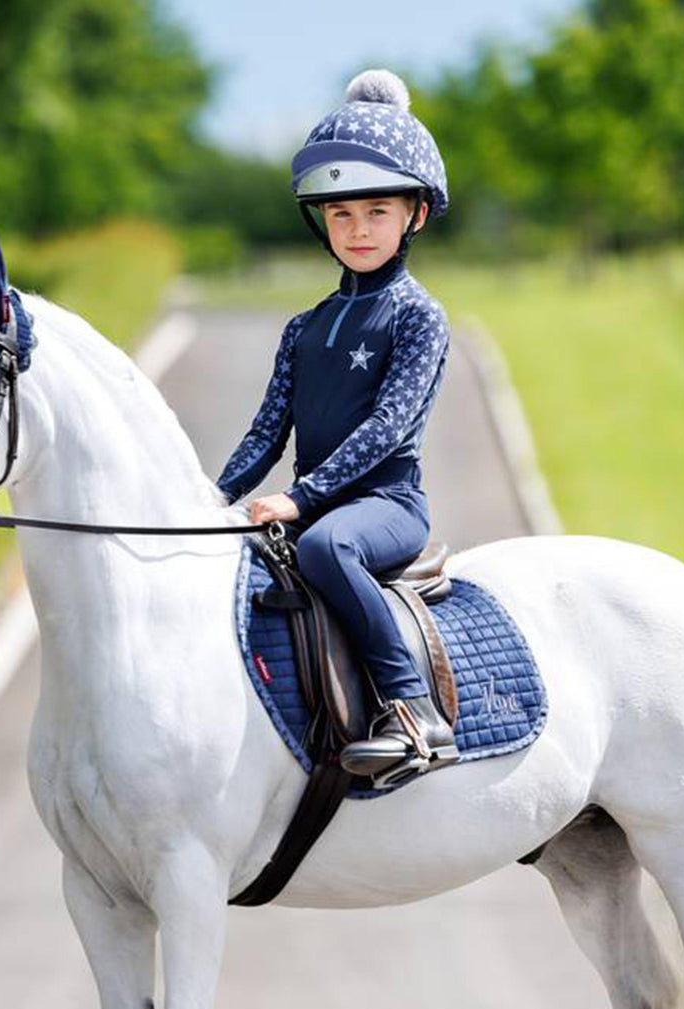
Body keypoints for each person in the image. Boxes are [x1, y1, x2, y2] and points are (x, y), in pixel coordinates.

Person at [217, 68, 457, 779]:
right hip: (314, 500)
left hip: (383, 507)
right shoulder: (304, 327)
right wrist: (209, 499)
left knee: (324, 548)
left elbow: (388, 426)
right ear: (322, 221)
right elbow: (267, 432)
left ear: (414, 215)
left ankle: (414, 712)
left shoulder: (420, 317)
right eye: (342, 215)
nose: (358, 230)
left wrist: (301, 498)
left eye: (377, 212)